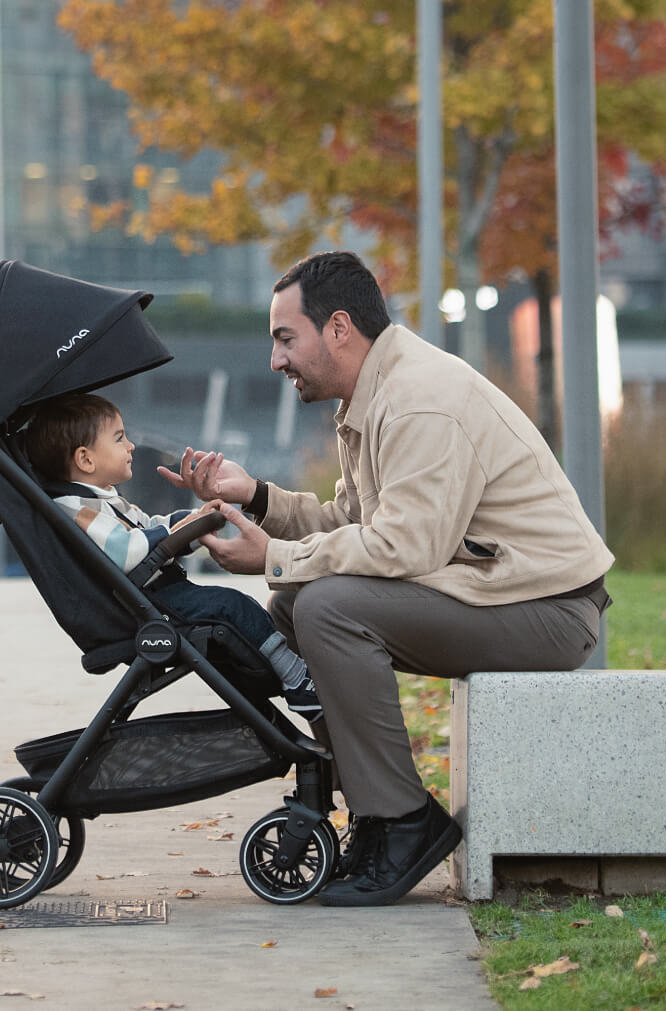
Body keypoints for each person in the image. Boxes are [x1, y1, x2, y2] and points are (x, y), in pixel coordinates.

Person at [159, 250, 614, 907]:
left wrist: (274, 557)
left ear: (338, 328)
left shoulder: (418, 401)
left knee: (325, 608)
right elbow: (349, 521)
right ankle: (372, 814)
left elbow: (406, 545)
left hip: (544, 608)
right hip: (492, 594)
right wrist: (256, 496)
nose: (275, 360)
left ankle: (404, 820)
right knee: (295, 605)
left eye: (286, 338)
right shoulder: (376, 394)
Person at [21, 392, 321, 719]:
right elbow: (126, 550)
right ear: (86, 460)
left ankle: (282, 678)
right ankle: (297, 681)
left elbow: (150, 527)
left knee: (237, 606)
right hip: (149, 606)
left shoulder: (102, 501)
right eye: (120, 438)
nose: (132, 446)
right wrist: (179, 531)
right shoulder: (78, 510)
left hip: (155, 597)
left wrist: (193, 524)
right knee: (231, 606)